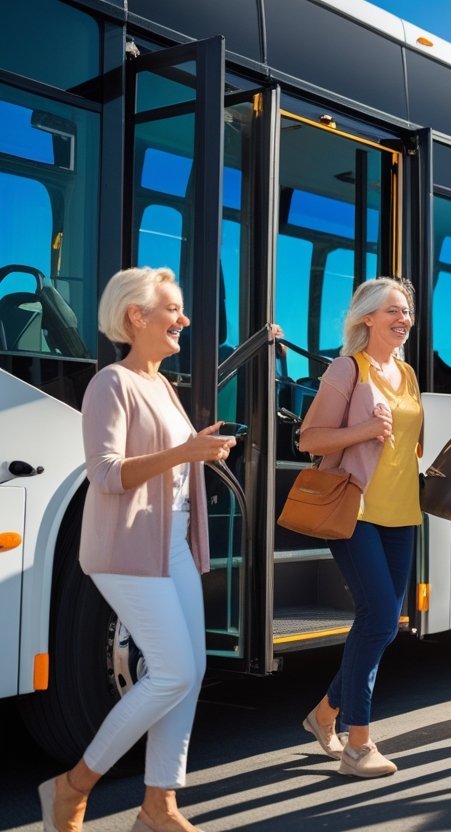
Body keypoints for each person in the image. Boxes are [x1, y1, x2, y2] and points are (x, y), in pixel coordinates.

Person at [38, 267, 236, 832]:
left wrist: (199, 452)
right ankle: (74, 785)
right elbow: (105, 475)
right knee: (172, 671)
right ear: (136, 317)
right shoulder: (112, 383)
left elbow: (172, 462)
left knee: (191, 671)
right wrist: (186, 452)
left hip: (170, 543)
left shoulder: (163, 385)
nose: (185, 319)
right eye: (173, 309)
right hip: (126, 551)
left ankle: (159, 805)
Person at [297, 277, 424, 778]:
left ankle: (323, 714)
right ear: (367, 317)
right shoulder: (348, 369)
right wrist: (365, 431)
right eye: (393, 311)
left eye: (407, 312)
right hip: (356, 509)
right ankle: (358, 744)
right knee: (376, 619)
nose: (403, 319)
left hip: (402, 514)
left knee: (384, 625)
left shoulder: (408, 374)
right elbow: (310, 438)